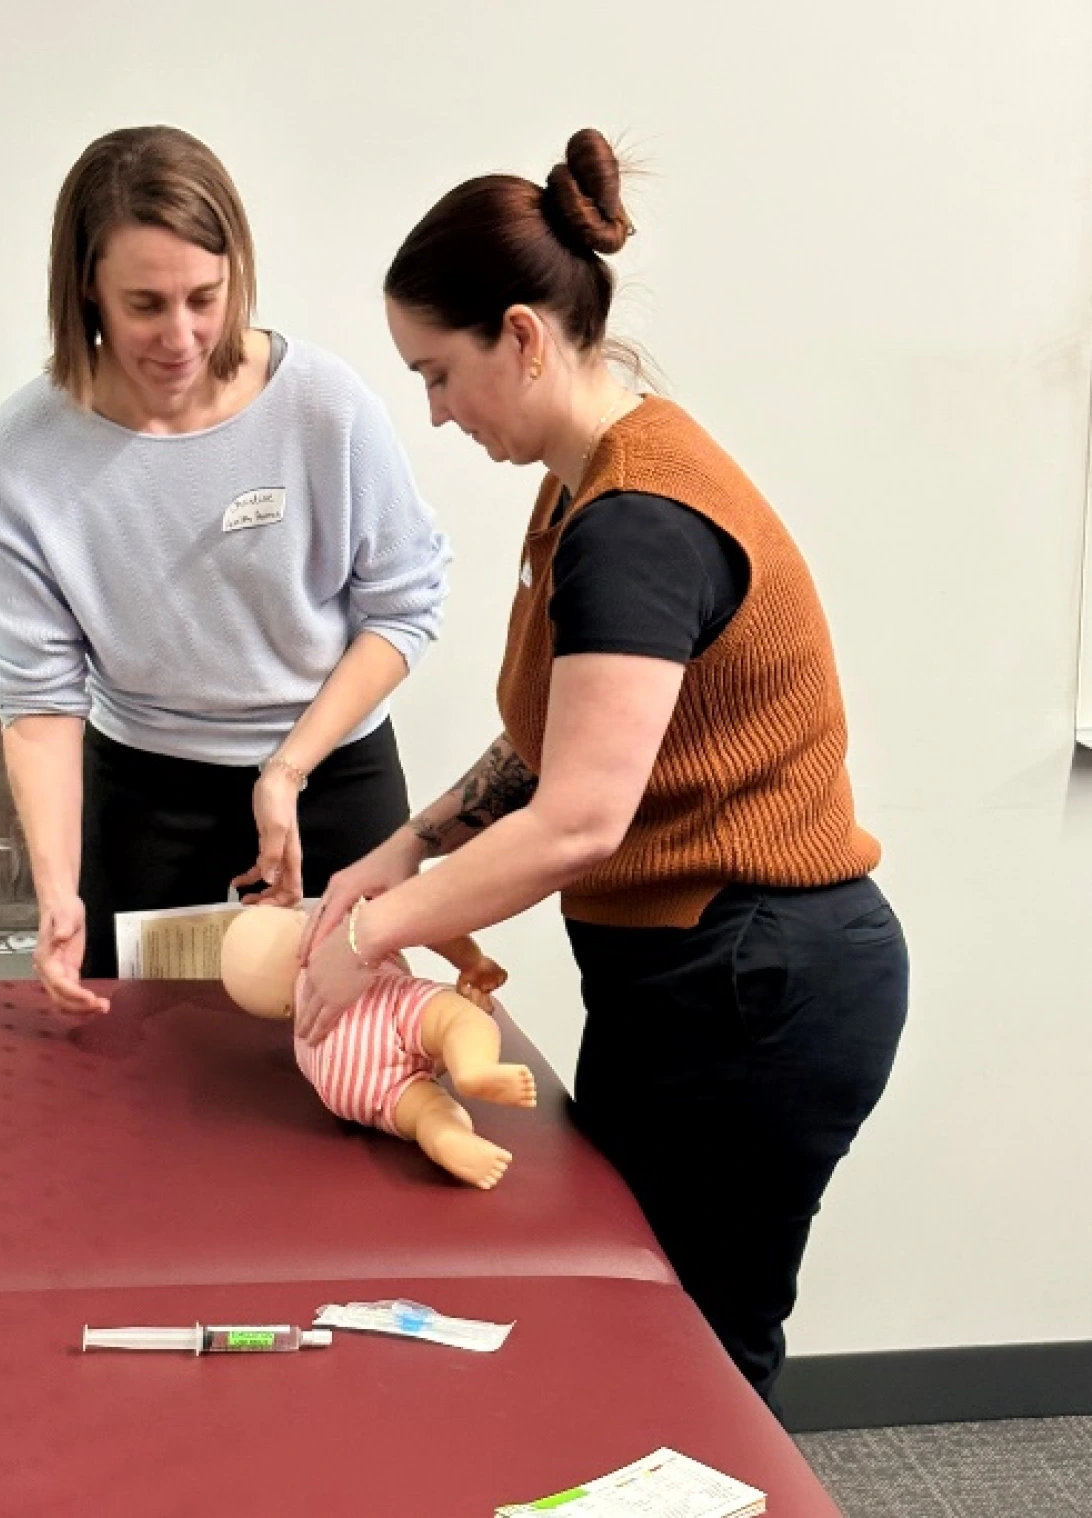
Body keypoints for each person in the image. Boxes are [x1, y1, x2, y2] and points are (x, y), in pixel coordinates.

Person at [294, 128, 908, 1412]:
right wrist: (405, 850)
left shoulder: (637, 518)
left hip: (760, 983)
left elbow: (579, 818)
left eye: (441, 374)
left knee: (692, 1350)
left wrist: (373, 933)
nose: (437, 413)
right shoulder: (587, 484)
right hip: (698, 973)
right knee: (630, 1325)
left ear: (521, 334)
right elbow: (549, 740)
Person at [0, 125, 449, 1015]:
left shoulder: (323, 408)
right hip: (145, 790)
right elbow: (40, 701)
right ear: (87, 293)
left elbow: (404, 609)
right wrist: (59, 889)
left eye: (207, 297)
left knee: (358, 1054)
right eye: (146, 304)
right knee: (144, 1076)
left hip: (331, 776)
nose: (182, 336)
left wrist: (287, 770)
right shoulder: (20, 457)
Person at [219, 904, 531, 1189]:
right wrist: (472, 961)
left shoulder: (303, 1046)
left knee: (426, 1108)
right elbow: (422, 919)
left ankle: (446, 1134)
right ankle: (476, 1066)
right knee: (462, 1021)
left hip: (342, 1085)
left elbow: (395, 1057)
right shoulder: (334, 935)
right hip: (379, 1007)